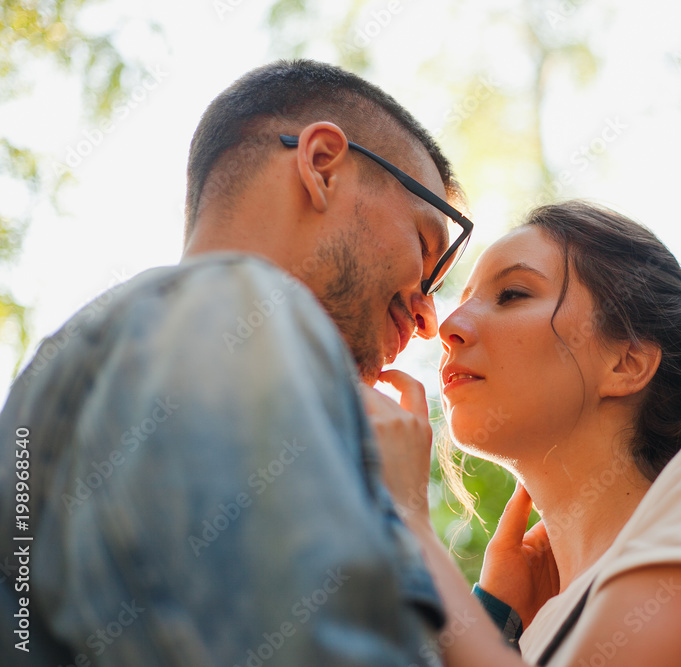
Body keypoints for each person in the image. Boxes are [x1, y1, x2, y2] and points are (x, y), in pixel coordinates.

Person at [0, 59, 474, 665]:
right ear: (323, 164)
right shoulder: (230, 310)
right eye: (427, 246)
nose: (428, 314)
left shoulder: (70, 365)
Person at [365, 200, 681, 666]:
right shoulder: (531, 629)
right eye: (464, 301)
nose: (448, 325)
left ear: (627, 362)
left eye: (512, 294)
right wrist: (495, 618)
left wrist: (408, 525)